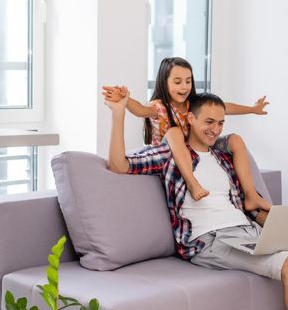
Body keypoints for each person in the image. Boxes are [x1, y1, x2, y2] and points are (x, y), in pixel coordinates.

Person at [105, 92, 288, 310]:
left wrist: (276, 223)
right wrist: (118, 115)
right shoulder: (172, 154)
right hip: (209, 240)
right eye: (209, 122)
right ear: (190, 118)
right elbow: (120, 165)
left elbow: (244, 206)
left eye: (221, 123)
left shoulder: (223, 158)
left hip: (247, 231)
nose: (215, 129)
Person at [102, 57, 270, 213]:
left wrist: (252, 109)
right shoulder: (159, 107)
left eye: (188, 81)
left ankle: (251, 195)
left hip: (195, 146)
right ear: (164, 82)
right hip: (171, 149)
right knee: (175, 132)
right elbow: (140, 110)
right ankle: (192, 182)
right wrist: (125, 99)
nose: (184, 87)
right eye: (177, 82)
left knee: (235, 140)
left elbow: (225, 107)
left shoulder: (192, 105)